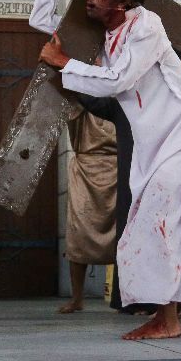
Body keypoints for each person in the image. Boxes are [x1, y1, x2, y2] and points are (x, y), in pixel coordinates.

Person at [32, 0, 181, 340]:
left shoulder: (146, 25)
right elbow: (44, 25)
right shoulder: (101, 32)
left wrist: (64, 63)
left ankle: (167, 318)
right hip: (150, 138)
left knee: (156, 217)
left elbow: (119, 78)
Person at [55, 100, 119, 314]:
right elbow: (67, 110)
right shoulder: (81, 96)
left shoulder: (122, 91)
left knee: (125, 235)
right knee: (78, 234)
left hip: (118, 167)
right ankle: (77, 298)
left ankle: (127, 297)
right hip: (85, 168)